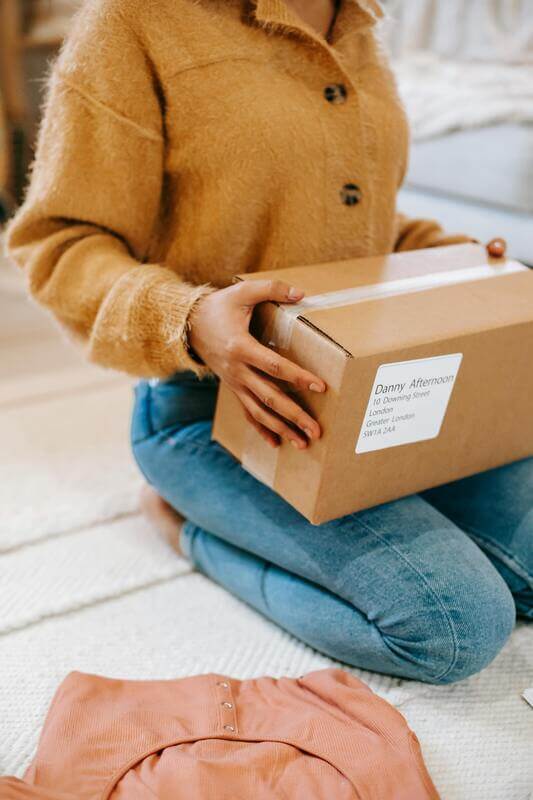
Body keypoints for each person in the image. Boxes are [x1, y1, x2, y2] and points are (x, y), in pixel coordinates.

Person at [6, 0, 531, 684]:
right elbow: (59, 243)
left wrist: (462, 259)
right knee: (453, 626)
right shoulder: (132, 22)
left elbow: (360, 217)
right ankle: (183, 524)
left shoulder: (359, 22)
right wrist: (190, 317)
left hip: (375, 401)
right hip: (217, 415)